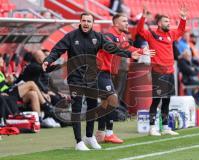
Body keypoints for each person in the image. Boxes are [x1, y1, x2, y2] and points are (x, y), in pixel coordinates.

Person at [42, 12, 142, 151]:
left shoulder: (97, 37)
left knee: (92, 107)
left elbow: (112, 48)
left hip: (92, 77)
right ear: (80, 21)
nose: (86, 23)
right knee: (76, 109)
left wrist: (130, 54)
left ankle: (89, 137)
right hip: (75, 78)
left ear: (92, 23)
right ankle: (78, 142)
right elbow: (57, 50)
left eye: (89, 21)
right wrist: (48, 60)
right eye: (84, 20)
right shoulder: (71, 36)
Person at [95, 13, 155, 144]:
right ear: (115, 24)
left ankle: (100, 133)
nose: (127, 23)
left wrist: (140, 50)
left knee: (105, 104)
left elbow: (128, 47)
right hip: (100, 72)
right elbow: (112, 49)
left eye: (127, 21)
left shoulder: (121, 36)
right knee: (113, 99)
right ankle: (109, 134)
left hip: (108, 73)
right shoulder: (108, 36)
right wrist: (129, 53)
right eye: (124, 21)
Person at [136, 5, 188, 136]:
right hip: (158, 72)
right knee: (156, 100)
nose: (168, 23)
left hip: (170, 71)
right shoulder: (152, 34)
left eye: (169, 21)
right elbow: (140, 31)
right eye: (166, 21)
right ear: (159, 23)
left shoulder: (171, 34)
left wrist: (183, 18)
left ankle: (165, 126)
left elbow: (181, 31)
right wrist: (142, 17)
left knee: (167, 100)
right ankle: (152, 127)